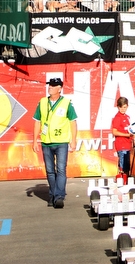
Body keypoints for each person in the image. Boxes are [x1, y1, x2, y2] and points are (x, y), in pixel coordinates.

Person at [32, 77, 77, 208]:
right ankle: (53, 194)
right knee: (50, 171)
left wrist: (73, 140)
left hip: (61, 141)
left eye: (53, 85)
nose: (50, 87)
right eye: (49, 85)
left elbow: (73, 122)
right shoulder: (42, 102)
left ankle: (58, 196)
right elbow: (37, 121)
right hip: (46, 141)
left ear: (59, 88)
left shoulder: (67, 103)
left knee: (61, 169)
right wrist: (35, 140)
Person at [111, 97, 133, 184]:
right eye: (121, 107)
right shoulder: (117, 118)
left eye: (124, 107)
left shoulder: (127, 117)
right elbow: (114, 132)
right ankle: (122, 183)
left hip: (128, 145)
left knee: (127, 166)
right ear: (118, 107)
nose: (123, 109)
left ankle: (126, 182)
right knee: (123, 166)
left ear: (127, 106)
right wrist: (127, 135)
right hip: (121, 145)